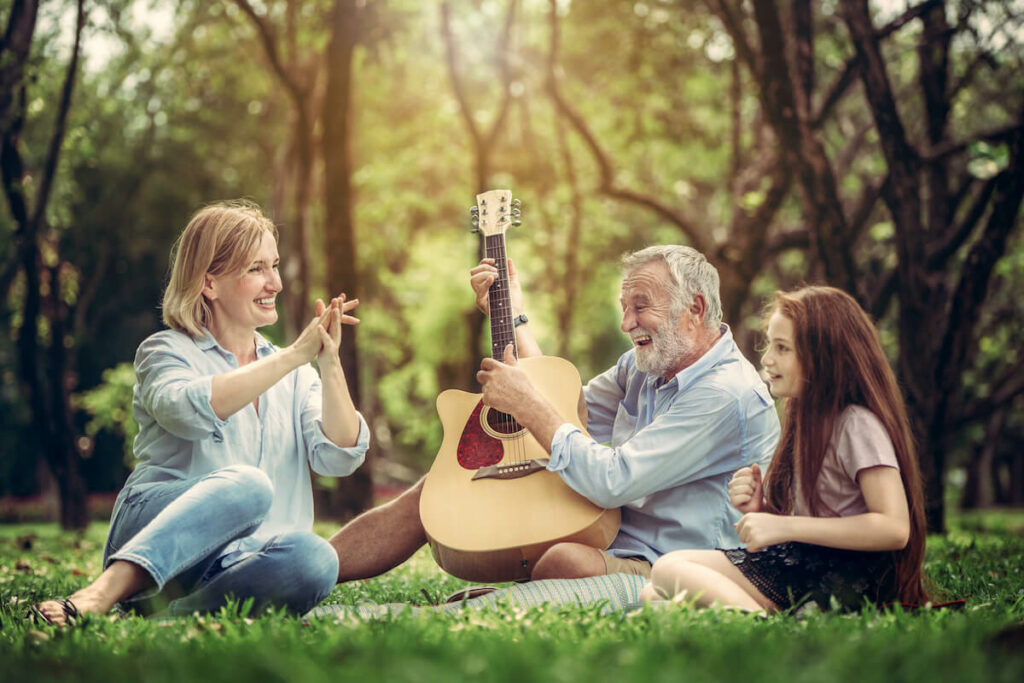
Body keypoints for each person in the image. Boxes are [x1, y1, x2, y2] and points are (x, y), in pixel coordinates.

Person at [327, 245, 779, 583]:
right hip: (609, 533)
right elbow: (564, 407)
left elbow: (612, 478)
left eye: (640, 306)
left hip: (676, 564)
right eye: (625, 308)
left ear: (693, 309)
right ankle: (310, 571)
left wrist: (527, 402)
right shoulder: (646, 365)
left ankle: (496, 604)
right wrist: (513, 315)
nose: (626, 324)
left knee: (566, 561)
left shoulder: (725, 394)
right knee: (443, 487)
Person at [32, 201, 368, 625]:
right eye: (256, 269)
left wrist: (328, 363)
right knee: (248, 486)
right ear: (210, 283)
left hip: (228, 568)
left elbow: (339, 456)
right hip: (150, 536)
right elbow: (187, 412)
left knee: (317, 558)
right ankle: (102, 593)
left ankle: (171, 618)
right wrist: (293, 357)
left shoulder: (297, 373)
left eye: (275, 266)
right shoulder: (165, 351)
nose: (276, 283)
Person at [643, 286, 929, 613]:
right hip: (808, 564)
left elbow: (894, 528)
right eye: (769, 345)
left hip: (845, 578)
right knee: (652, 597)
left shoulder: (857, 424)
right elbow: (818, 521)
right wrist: (761, 510)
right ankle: (752, 617)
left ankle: (764, 628)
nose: (767, 359)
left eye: (782, 348)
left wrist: (784, 527)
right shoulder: (806, 422)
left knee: (668, 568)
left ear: (825, 356)